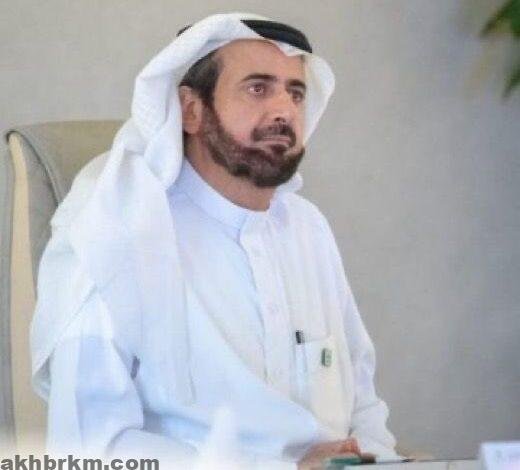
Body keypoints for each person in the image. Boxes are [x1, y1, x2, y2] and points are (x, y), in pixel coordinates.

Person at [30, 12, 399, 469]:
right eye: (258, 88)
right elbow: (91, 447)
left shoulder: (308, 229)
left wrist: (375, 457)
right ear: (191, 109)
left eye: (296, 93)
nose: (284, 111)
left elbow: (362, 402)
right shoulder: (116, 231)